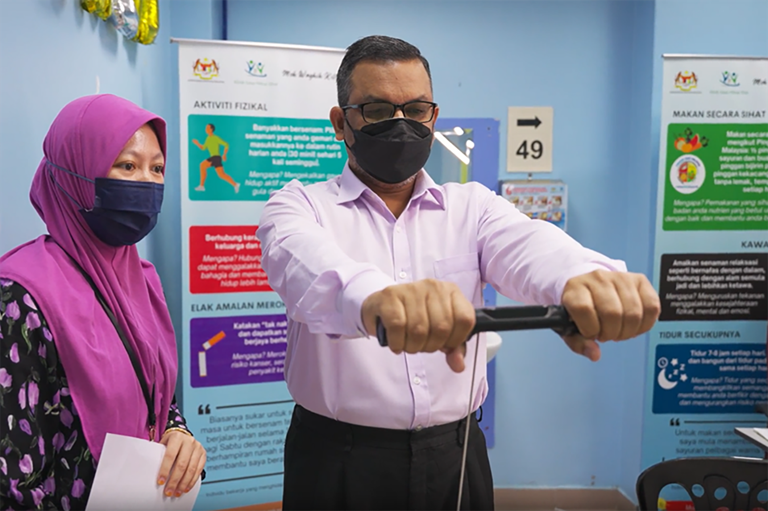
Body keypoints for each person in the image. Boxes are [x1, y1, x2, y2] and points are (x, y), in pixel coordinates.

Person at [256, 36, 661, 511]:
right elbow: (309, 267)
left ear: (434, 116)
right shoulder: (298, 207)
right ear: (341, 122)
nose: (401, 124)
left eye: (416, 109)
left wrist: (586, 277)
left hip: (456, 455)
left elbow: (531, 245)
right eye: (378, 110)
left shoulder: (472, 207)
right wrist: (376, 300)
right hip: (336, 460)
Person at [0, 94, 206, 510]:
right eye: (127, 165)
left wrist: (178, 434)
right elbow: (11, 477)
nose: (148, 183)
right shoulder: (19, 296)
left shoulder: (142, 280)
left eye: (158, 168)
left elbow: (157, 398)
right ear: (76, 174)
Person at [192, 123, 239, 193]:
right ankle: (235, 184)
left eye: (207, 128)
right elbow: (203, 148)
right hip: (215, 158)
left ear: (211, 129)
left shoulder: (215, 138)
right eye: (206, 128)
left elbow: (226, 144)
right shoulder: (208, 138)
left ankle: (201, 186)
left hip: (216, 157)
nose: (206, 129)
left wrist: (224, 154)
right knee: (221, 175)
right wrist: (197, 143)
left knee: (202, 165)